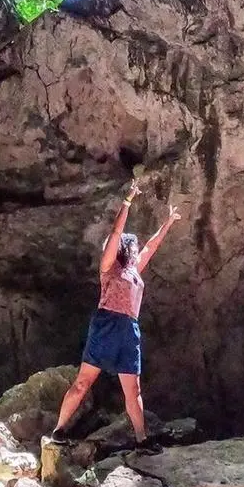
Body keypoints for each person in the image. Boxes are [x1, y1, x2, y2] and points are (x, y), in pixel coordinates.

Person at [50, 180, 181, 454]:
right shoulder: (109, 268)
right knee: (83, 382)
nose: (136, 250)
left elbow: (152, 247)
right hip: (107, 323)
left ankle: (142, 440)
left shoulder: (134, 271)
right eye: (132, 248)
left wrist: (168, 222)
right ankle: (59, 429)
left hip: (128, 329)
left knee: (133, 391)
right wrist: (128, 201)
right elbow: (116, 231)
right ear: (124, 250)